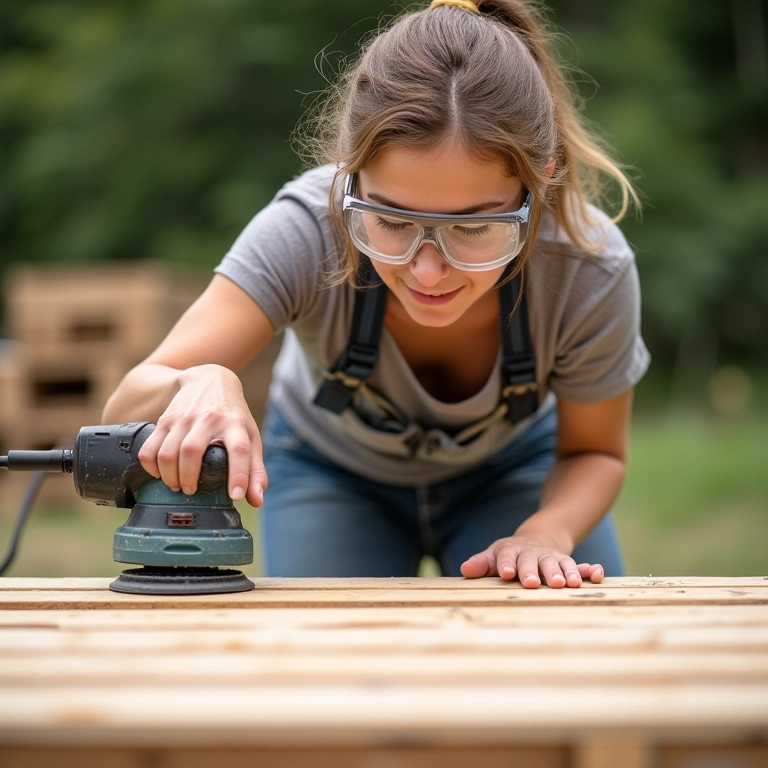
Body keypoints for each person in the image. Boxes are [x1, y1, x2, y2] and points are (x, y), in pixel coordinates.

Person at [102, 0, 650, 588]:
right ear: (350, 175)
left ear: (538, 181)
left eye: (471, 227)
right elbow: (123, 410)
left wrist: (546, 532)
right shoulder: (307, 229)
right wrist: (199, 378)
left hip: (514, 471)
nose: (428, 270)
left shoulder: (589, 266)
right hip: (327, 469)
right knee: (328, 667)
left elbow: (595, 453)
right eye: (391, 221)